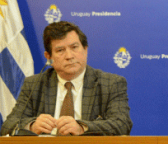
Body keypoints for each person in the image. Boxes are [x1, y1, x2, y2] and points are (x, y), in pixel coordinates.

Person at [1, 21, 133, 136]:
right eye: (60, 50)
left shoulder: (111, 83)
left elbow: (122, 124)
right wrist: (31, 126)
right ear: (48, 57)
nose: (69, 56)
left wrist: (82, 128)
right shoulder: (34, 84)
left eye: (74, 47)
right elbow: (8, 126)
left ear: (85, 50)